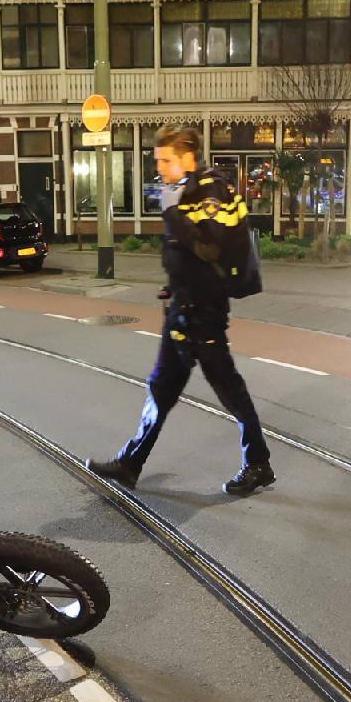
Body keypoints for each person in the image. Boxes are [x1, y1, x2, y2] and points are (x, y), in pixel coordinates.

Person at [88, 125, 275, 497]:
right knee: (161, 389)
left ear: (189, 156)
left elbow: (209, 247)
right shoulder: (186, 190)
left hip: (204, 313)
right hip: (182, 309)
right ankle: (130, 462)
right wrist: (174, 285)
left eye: (166, 160)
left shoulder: (212, 191)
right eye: (157, 160)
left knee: (229, 390)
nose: (160, 168)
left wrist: (173, 212)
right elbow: (188, 255)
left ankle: (258, 464)